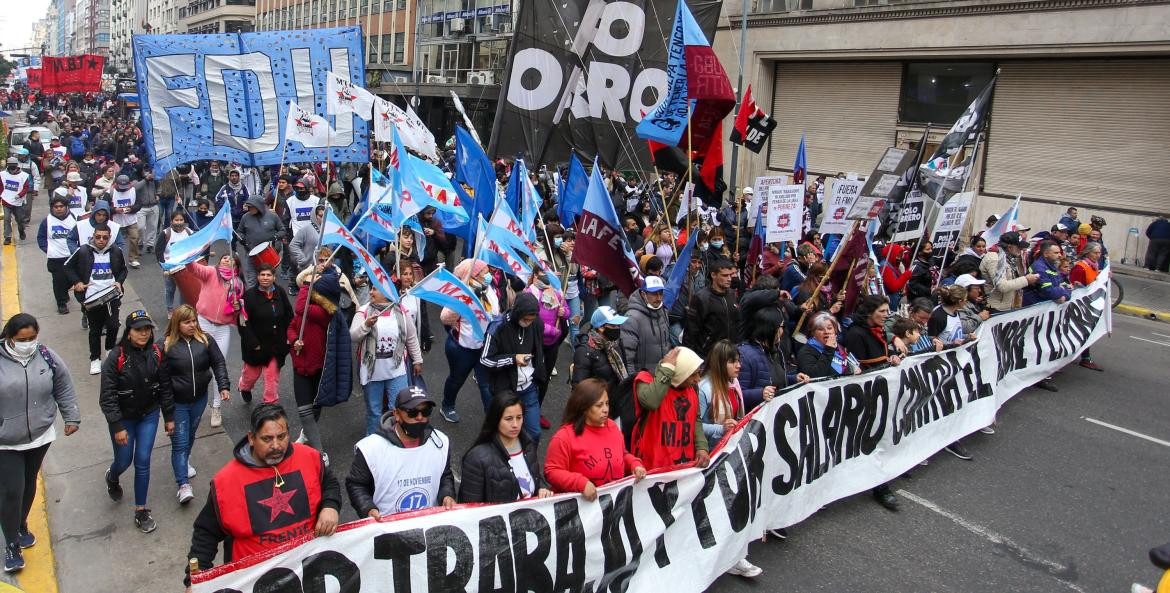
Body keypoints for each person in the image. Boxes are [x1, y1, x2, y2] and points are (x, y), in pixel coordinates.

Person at [184, 404, 340, 588]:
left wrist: (330, 506)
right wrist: (195, 582)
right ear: (251, 438)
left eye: (281, 437)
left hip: (308, 578)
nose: (276, 446)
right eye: (267, 439)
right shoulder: (225, 483)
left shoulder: (310, 458)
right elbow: (206, 534)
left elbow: (330, 483)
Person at [0, 314, 80, 573]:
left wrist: (71, 416)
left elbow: (63, 385)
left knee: (28, 483)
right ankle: (11, 543)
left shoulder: (46, 355)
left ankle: (21, 523)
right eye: (22, 339)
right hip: (6, 441)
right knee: (12, 490)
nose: (28, 343)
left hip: (39, 435)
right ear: (10, 338)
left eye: (32, 338)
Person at [99, 310, 174, 533]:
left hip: (148, 415)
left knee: (142, 460)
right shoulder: (116, 357)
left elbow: (165, 387)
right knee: (123, 461)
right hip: (124, 419)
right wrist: (117, 426)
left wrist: (169, 417)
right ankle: (112, 477)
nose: (143, 333)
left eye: (147, 329)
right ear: (128, 333)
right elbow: (107, 396)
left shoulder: (157, 354)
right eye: (138, 329)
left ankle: (141, 510)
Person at [345, 386, 456, 518]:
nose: (420, 417)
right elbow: (356, 484)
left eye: (426, 411)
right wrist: (368, 509)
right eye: (412, 412)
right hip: (387, 531)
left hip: (428, 527)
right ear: (396, 414)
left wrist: (447, 495)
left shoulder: (440, 442)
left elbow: (445, 475)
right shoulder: (370, 449)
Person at [160, 305, 229, 505]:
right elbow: (163, 382)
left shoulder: (206, 340)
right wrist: (168, 415)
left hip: (199, 401)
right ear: (177, 324)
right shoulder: (166, 345)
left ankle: (184, 462)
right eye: (186, 322)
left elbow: (218, 363)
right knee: (180, 443)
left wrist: (223, 386)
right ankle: (183, 485)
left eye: (193, 321)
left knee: (189, 436)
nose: (191, 325)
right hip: (177, 404)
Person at [170, 249, 243, 428]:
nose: (227, 260)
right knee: (195, 361)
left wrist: (237, 304)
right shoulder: (211, 272)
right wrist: (193, 252)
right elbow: (193, 269)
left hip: (222, 328)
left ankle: (216, 406)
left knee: (220, 365)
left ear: (237, 266)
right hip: (202, 323)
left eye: (231, 259)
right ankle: (190, 399)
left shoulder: (238, 284)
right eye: (224, 257)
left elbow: (240, 308)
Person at [288, 269, 352, 462]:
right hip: (300, 365)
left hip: (319, 368)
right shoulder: (309, 308)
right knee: (304, 410)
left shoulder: (324, 312)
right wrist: (293, 340)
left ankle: (308, 434)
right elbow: (292, 326)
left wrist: (307, 284)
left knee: (315, 405)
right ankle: (319, 452)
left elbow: (300, 307)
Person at [544, 378, 646, 500]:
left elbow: (622, 454)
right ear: (584, 407)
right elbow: (552, 471)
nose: (605, 409)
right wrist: (580, 483)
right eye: (599, 405)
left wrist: (634, 464)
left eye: (607, 403)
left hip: (611, 506)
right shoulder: (564, 437)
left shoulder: (612, 426)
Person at [351, 285, 424, 436]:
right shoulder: (363, 311)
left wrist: (417, 360)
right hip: (372, 372)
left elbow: (411, 337)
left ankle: (395, 439)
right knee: (374, 412)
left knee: (397, 408)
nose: (370, 292)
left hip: (396, 370)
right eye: (371, 289)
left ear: (386, 293)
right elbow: (353, 336)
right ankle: (372, 444)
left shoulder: (401, 311)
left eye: (374, 289)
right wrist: (366, 325)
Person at [458, 392, 554, 503]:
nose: (515, 424)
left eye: (519, 417)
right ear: (496, 419)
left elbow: (535, 478)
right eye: (508, 419)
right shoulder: (476, 458)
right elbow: (471, 507)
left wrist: (543, 488)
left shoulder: (528, 444)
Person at [631, 347, 711, 470]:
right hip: (651, 469)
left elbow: (696, 419)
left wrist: (702, 446)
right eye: (693, 375)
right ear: (679, 373)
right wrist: (667, 370)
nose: (698, 379)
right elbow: (651, 401)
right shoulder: (646, 379)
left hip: (683, 466)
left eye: (699, 373)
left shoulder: (692, 388)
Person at [440, 259, 498, 423]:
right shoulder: (462, 294)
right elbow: (445, 318)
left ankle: (492, 417)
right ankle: (447, 406)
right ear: (473, 275)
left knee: (485, 382)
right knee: (457, 379)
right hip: (462, 348)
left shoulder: (488, 289)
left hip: (484, 346)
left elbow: (495, 312)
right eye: (484, 272)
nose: (488, 275)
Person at [481, 292, 545, 441]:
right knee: (503, 435)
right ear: (517, 312)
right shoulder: (498, 326)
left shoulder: (537, 323)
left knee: (534, 433)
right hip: (505, 390)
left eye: (531, 319)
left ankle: (527, 461)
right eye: (525, 319)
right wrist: (513, 359)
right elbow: (485, 360)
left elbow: (540, 350)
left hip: (528, 387)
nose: (528, 322)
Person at [65, 224, 128, 375]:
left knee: (113, 325)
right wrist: (77, 282)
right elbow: (68, 267)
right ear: (93, 236)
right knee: (95, 330)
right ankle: (95, 359)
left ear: (109, 238)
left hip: (111, 296)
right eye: (98, 237)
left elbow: (123, 270)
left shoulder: (116, 251)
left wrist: (119, 281)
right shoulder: (83, 251)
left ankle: (109, 351)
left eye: (105, 237)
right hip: (92, 297)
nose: (101, 240)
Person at [237, 263, 293, 405]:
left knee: (271, 377)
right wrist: (253, 343)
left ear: (274, 277)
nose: (265, 278)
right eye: (262, 275)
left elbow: (289, 315)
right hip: (256, 346)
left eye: (268, 275)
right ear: (258, 277)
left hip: (275, 345)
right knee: (250, 375)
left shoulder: (280, 292)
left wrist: (289, 336)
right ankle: (244, 387)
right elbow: (243, 322)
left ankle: (270, 405)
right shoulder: (249, 296)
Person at [526, 270, 568, 425]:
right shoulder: (531, 293)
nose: (545, 277)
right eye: (541, 273)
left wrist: (564, 313)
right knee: (530, 375)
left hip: (552, 343)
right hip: (535, 342)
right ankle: (523, 410)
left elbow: (567, 311)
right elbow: (531, 320)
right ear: (535, 276)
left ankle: (536, 411)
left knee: (545, 378)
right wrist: (551, 330)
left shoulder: (557, 294)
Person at [684, 258, 741, 357]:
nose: (729, 279)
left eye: (730, 275)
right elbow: (691, 331)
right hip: (709, 356)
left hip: (730, 353)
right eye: (724, 275)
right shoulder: (701, 298)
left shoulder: (732, 295)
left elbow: (737, 322)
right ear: (713, 275)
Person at [572, 306, 629, 398]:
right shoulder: (584, 352)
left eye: (618, 325)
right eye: (614, 325)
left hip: (617, 400)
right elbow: (578, 390)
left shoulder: (616, 343)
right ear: (601, 328)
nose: (618, 328)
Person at [37, 195, 79, 315]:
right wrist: (48, 250)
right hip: (55, 258)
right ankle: (61, 304)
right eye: (56, 207)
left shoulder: (74, 219)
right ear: (52, 208)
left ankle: (63, 292)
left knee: (71, 280)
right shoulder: (47, 221)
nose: (59, 209)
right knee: (58, 280)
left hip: (71, 257)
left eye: (61, 206)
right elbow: (41, 238)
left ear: (66, 207)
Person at [621, 275, 670, 375]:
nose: (659, 298)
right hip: (643, 380)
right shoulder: (632, 319)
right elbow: (627, 358)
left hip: (662, 377)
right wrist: (631, 383)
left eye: (661, 293)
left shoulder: (663, 312)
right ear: (643, 294)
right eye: (654, 294)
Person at [236, 195, 286, 289]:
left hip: (268, 255)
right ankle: (253, 301)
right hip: (251, 254)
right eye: (248, 206)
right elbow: (239, 231)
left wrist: (275, 237)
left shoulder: (272, 216)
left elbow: (282, 230)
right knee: (251, 281)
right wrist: (241, 238)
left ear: (258, 206)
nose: (249, 209)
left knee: (267, 281)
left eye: (251, 206)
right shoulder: (245, 217)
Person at [1069, 242, 1105, 372]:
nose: (1098, 255)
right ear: (1087, 253)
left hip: (1089, 304)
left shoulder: (1093, 266)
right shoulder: (1080, 267)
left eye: (1099, 252)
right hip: (1080, 306)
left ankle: (1085, 357)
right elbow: (1075, 287)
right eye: (1095, 252)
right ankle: (1084, 358)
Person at [842, 295, 903, 370]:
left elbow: (882, 352)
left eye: (887, 311)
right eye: (882, 311)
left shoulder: (879, 328)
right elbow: (857, 365)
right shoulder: (855, 334)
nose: (886, 315)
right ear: (869, 313)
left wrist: (893, 355)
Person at [155, 211, 193, 316]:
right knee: (170, 290)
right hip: (170, 268)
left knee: (184, 290)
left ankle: (182, 311)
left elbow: (194, 248)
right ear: (172, 221)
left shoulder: (189, 232)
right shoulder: (165, 233)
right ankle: (170, 309)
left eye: (181, 220)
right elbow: (159, 251)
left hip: (185, 267)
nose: (179, 222)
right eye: (176, 220)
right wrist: (164, 267)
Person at [1023, 241, 1072, 307]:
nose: (1060, 255)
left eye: (1059, 252)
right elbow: (1049, 292)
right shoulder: (1039, 268)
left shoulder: (1052, 266)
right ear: (1046, 254)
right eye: (1056, 253)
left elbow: (1067, 287)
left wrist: (1065, 296)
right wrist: (1062, 289)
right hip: (1034, 308)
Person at [1, 157, 33, 244]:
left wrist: (19, 195)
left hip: (18, 202)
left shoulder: (23, 175)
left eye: (13, 165)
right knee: (7, 219)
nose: (12, 167)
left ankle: (21, 231)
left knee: (20, 220)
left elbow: (26, 187)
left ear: (16, 165)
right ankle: (7, 237)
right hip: (6, 201)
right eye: (10, 165)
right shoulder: (3, 174)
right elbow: (1, 186)